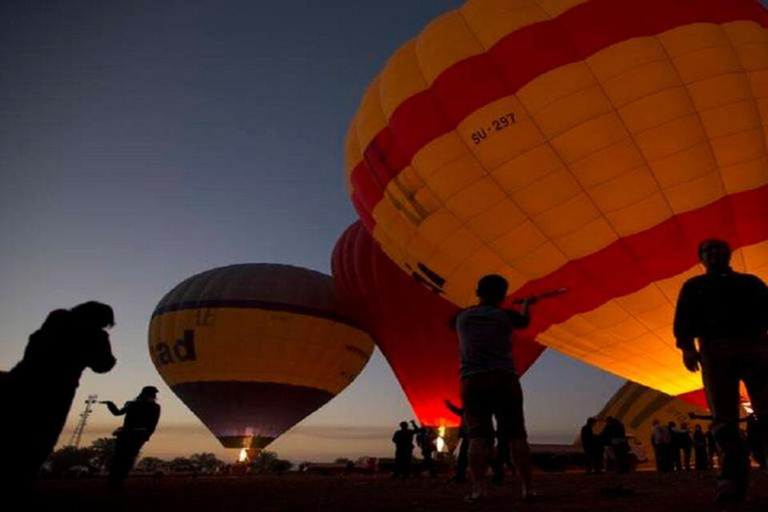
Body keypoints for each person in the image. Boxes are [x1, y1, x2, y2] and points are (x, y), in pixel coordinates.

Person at [674, 239, 768, 502]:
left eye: (719, 249)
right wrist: (687, 348)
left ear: (729, 254)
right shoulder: (693, 287)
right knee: (723, 418)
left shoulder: (751, 283)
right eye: (708, 250)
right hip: (715, 351)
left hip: (755, 348)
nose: (714, 253)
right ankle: (730, 480)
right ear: (701, 258)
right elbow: (684, 320)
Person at [0, 302, 116, 489]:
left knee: (11, 432)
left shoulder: (55, 320)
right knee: (40, 439)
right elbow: (103, 365)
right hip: (55, 392)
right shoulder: (95, 336)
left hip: (19, 382)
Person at [455, 274, 535, 502]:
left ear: (478, 291)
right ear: (503, 295)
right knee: (517, 435)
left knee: (477, 435)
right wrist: (527, 305)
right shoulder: (505, 316)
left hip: (472, 379)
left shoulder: (462, 317)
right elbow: (524, 322)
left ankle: (479, 490)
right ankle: (527, 488)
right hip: (504, 378)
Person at [102, 386, 161, 490]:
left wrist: (110, 404)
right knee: (128, 458)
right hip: (138, 435)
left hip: (125, 434)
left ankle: (113, 481)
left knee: (119, 457)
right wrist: (147, 436)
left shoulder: (132, 404)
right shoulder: (155, 407)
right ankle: (118, 481)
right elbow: (153, 424)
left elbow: (117, 413)